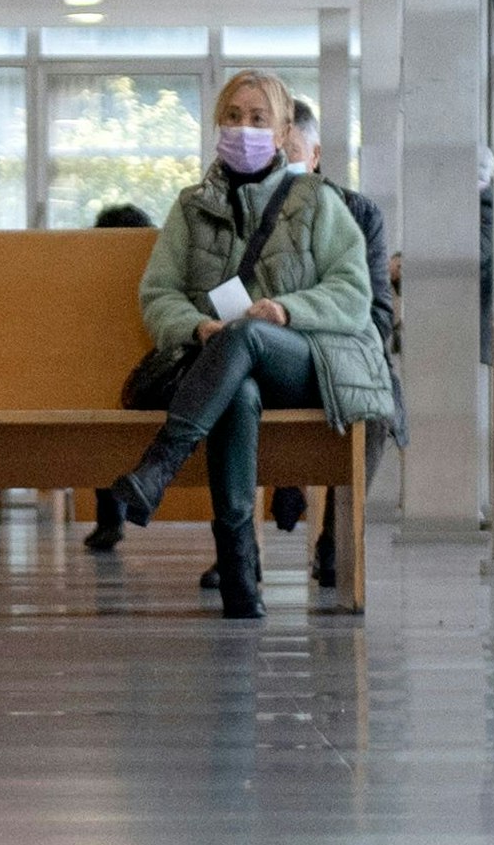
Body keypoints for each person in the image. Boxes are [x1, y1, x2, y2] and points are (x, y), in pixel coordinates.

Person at [107, 72, 397, 618]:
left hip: (307, 363)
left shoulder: (317, 200)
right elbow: (159, 293)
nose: (244, 128)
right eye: (233, 116)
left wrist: (288, 310)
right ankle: (240, 580)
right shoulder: (192, 207)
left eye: (258, 119)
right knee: (235, 389)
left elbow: (354, 293)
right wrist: (197, 327)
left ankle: (159, 466)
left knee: (246, 341)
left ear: (284, 130)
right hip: (228, 371)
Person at [81, 203, 155, 554]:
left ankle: (109, 517)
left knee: (100, 425)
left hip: (103, 387)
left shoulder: (89, 287)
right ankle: (115, 514)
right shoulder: (153, 275)